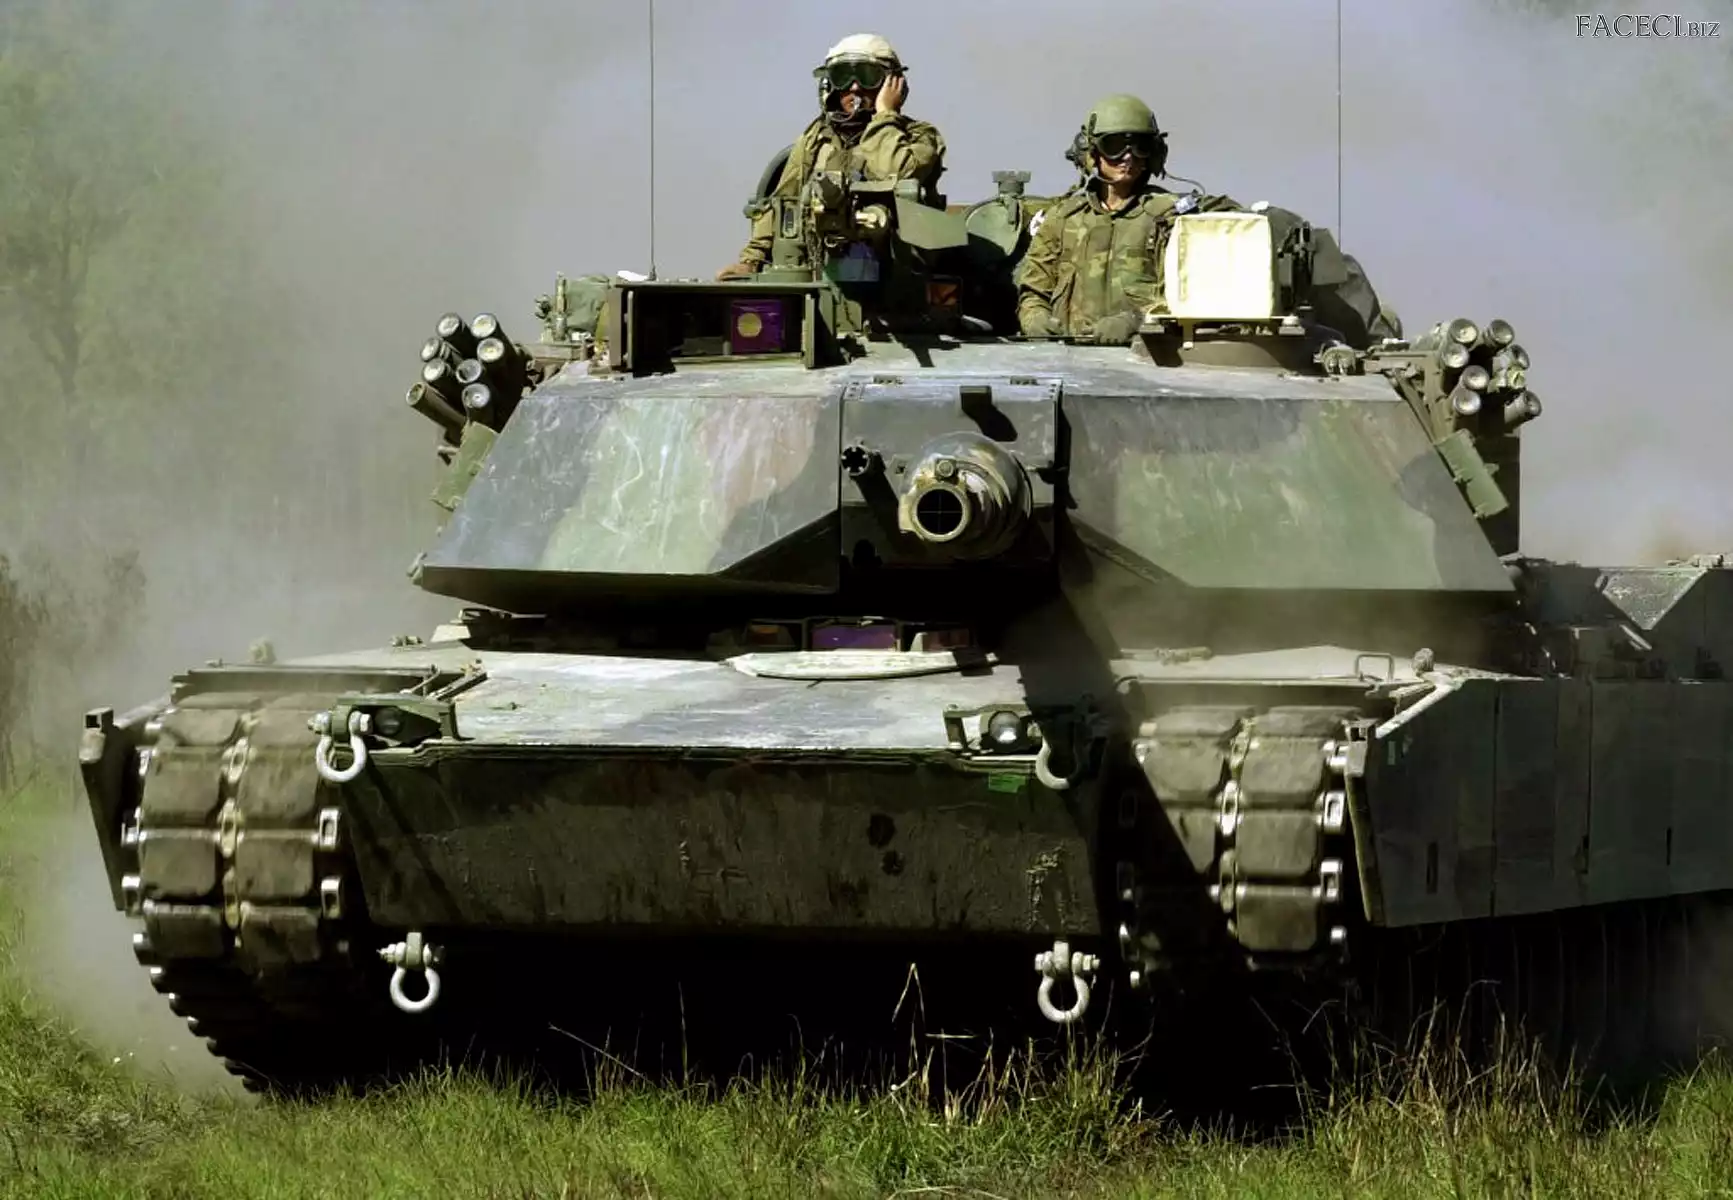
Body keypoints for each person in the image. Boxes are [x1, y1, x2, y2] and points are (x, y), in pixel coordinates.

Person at [1016, 94, 1399, 348]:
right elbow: (1034, 288)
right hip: (1065, 358)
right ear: (1092, 152)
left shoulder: (1174, 217)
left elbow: (1189, 291)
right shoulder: (1062, 220)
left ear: (1155, 153)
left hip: (1147, 357)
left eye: (1140, 146)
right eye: (1115, 145)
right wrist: (1034, 318)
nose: (1128, 157)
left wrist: (1136, 319)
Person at [715, 34, 946, 281]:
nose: (854, 87)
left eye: (867, 76)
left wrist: (885, 116)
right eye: (843, 77)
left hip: (899, 277)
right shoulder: (815, 139)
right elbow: (784, 203)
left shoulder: (919, 136)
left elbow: (894, 172)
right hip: (822, 274)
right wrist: (752, 260)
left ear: (893, 84)